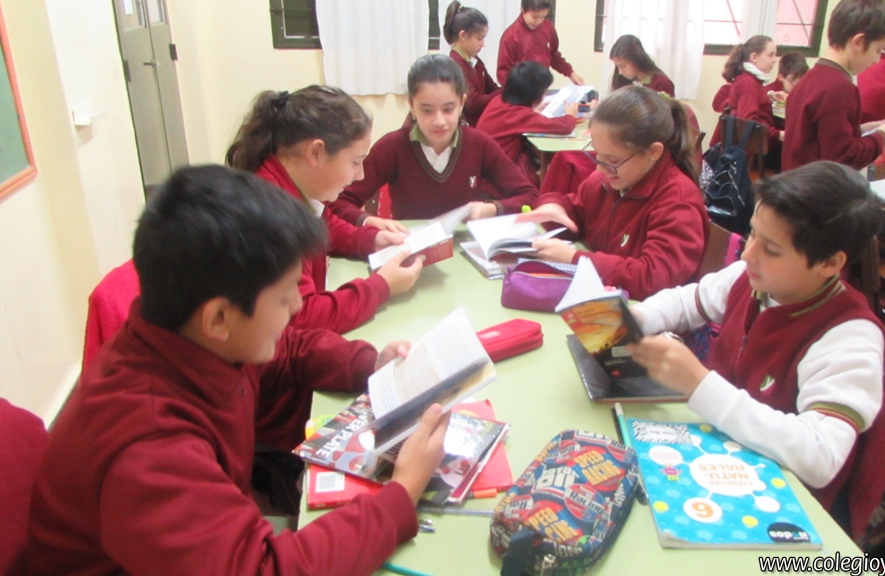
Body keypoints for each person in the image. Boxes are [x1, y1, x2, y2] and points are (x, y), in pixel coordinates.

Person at [20, 165, 450, 576]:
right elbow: (262, 570)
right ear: (219, 318)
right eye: (284, 297)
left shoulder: (193, 337)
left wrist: (369, 364)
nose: (297, 306)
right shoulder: (150, 449)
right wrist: (402, 493)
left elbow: (289, 348)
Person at [628, 161, 885, 524]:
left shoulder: (850, 336)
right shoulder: (749, 279)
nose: (748, 253)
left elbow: (821, 457)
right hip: (714, 456)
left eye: (772, 249)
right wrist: (638, 319)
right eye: (752, 234)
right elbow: (688, 301)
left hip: (776, 502)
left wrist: (699, 384)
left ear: (829, 263)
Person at [226, 86, 422, 334]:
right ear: (316, 152)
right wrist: (382, 286)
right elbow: (303, 316)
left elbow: (325, 225)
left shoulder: (292, 185)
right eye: (355, 162)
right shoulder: (271, 215)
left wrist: (371, 240)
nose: (360, 175)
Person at [518, 86, 708, 301]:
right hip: (602, 300)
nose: (600, 169)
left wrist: (576, 259)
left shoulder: (678, 200)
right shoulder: (607, 181)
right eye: (598, 157)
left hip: (646, 315)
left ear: (654, 152)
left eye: (613, 160)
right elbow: (575, 210)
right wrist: (554, 206)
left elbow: (653, 278)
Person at [328, 54, 538, 227]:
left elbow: (529, 195)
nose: (439, 121)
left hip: (462, 249)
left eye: (448, 109)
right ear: (411, 105)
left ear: (462, 103)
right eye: (427, 110)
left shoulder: (479, 144)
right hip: (409, 249)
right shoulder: (392, 148)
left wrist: (493, 208)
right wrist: (368, 221)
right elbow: (338, 202)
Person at [782, 0, 885, 171]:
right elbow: (843, 159)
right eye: (878, 50)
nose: (877, 60)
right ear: (858, 42)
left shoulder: (812, 77)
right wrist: (881, 137)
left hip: (795, 182)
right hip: (817, 186)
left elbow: (816, 138)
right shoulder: (839, 88)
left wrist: (859, 130)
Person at [476, 61, 577, 186]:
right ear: (533, 94)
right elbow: (564, 127)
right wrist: (570, 115)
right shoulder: (520, 115)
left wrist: (532, 111)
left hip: (483, 173)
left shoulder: (499, 101)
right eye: (544, 91)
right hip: (494, 182)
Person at [716, 35, 784, 169]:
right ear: (754, 57)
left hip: (746, 149)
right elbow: (748, 123)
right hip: (752, 154)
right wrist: (779, 134)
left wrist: (768, 96)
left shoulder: (745, 78)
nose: (775, 60)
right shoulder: (749, 84)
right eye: (770, 55)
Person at [496, 0, 583, 86]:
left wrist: (570, 73)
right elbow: (503, 73)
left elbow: (553, 56)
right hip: (522, 90)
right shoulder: (510, 36)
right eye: (535, 17)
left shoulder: (548, 27)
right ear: (523, 9)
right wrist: (517, 91)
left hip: (542, 87)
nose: (538, 21)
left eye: (543, 17)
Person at [444, 1, 500, 127]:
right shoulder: (456, 65)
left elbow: (491, 88)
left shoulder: (475, 61)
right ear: (463, 35)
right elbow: (474, 104)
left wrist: (507, 91)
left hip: (481, 123)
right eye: (479, 38)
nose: (483, 44)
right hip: (468, 128)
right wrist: (505, 93)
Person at [609, 34, 675, 97]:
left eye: (623, 66)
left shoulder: (661, 83)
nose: (620, 72)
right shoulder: (624, 82)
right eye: (617, 66)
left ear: (636, 59)